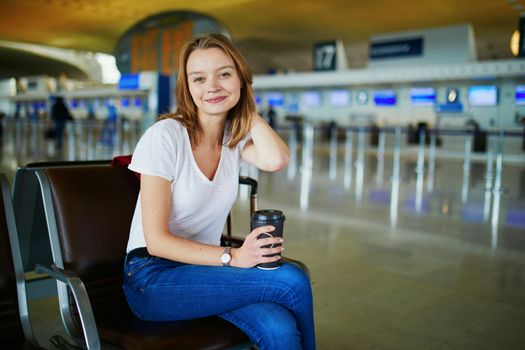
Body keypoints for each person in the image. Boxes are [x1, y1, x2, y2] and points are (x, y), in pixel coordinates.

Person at [123, 34, 316, 350]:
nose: (211, 86)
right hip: (153, 279)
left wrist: (246, 108)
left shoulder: (233, 140)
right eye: (199, 78)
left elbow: (277, 159)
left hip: (206, 271)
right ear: (188, 88)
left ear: (241, 79)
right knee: (291, 279)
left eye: (224, 74)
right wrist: (234, 256)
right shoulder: (164, 137)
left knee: (278, 327)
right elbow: (156, 242)